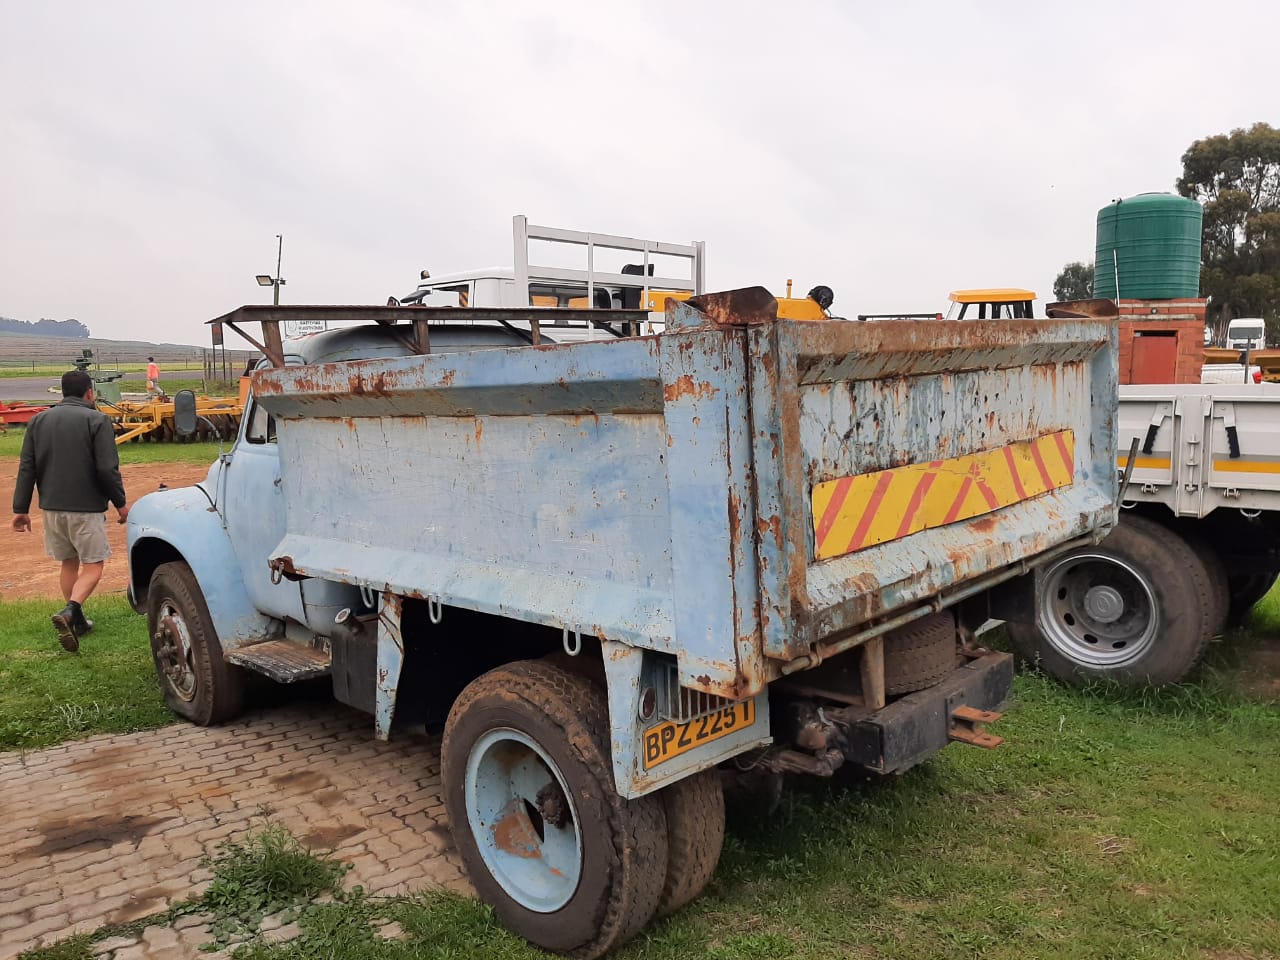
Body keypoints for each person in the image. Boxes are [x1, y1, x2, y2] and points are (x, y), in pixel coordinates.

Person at [11, 369, 129, 652]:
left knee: (69, 562)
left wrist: (21, 508)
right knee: (93, 564)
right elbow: (106, 469)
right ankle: (71, 610)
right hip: (85, 508)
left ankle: (77, 622)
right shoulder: (97, 420)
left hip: (51, 507)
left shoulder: (38, 421)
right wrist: (121, 504)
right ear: (89, 392)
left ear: (63, 392)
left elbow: (28, 466)